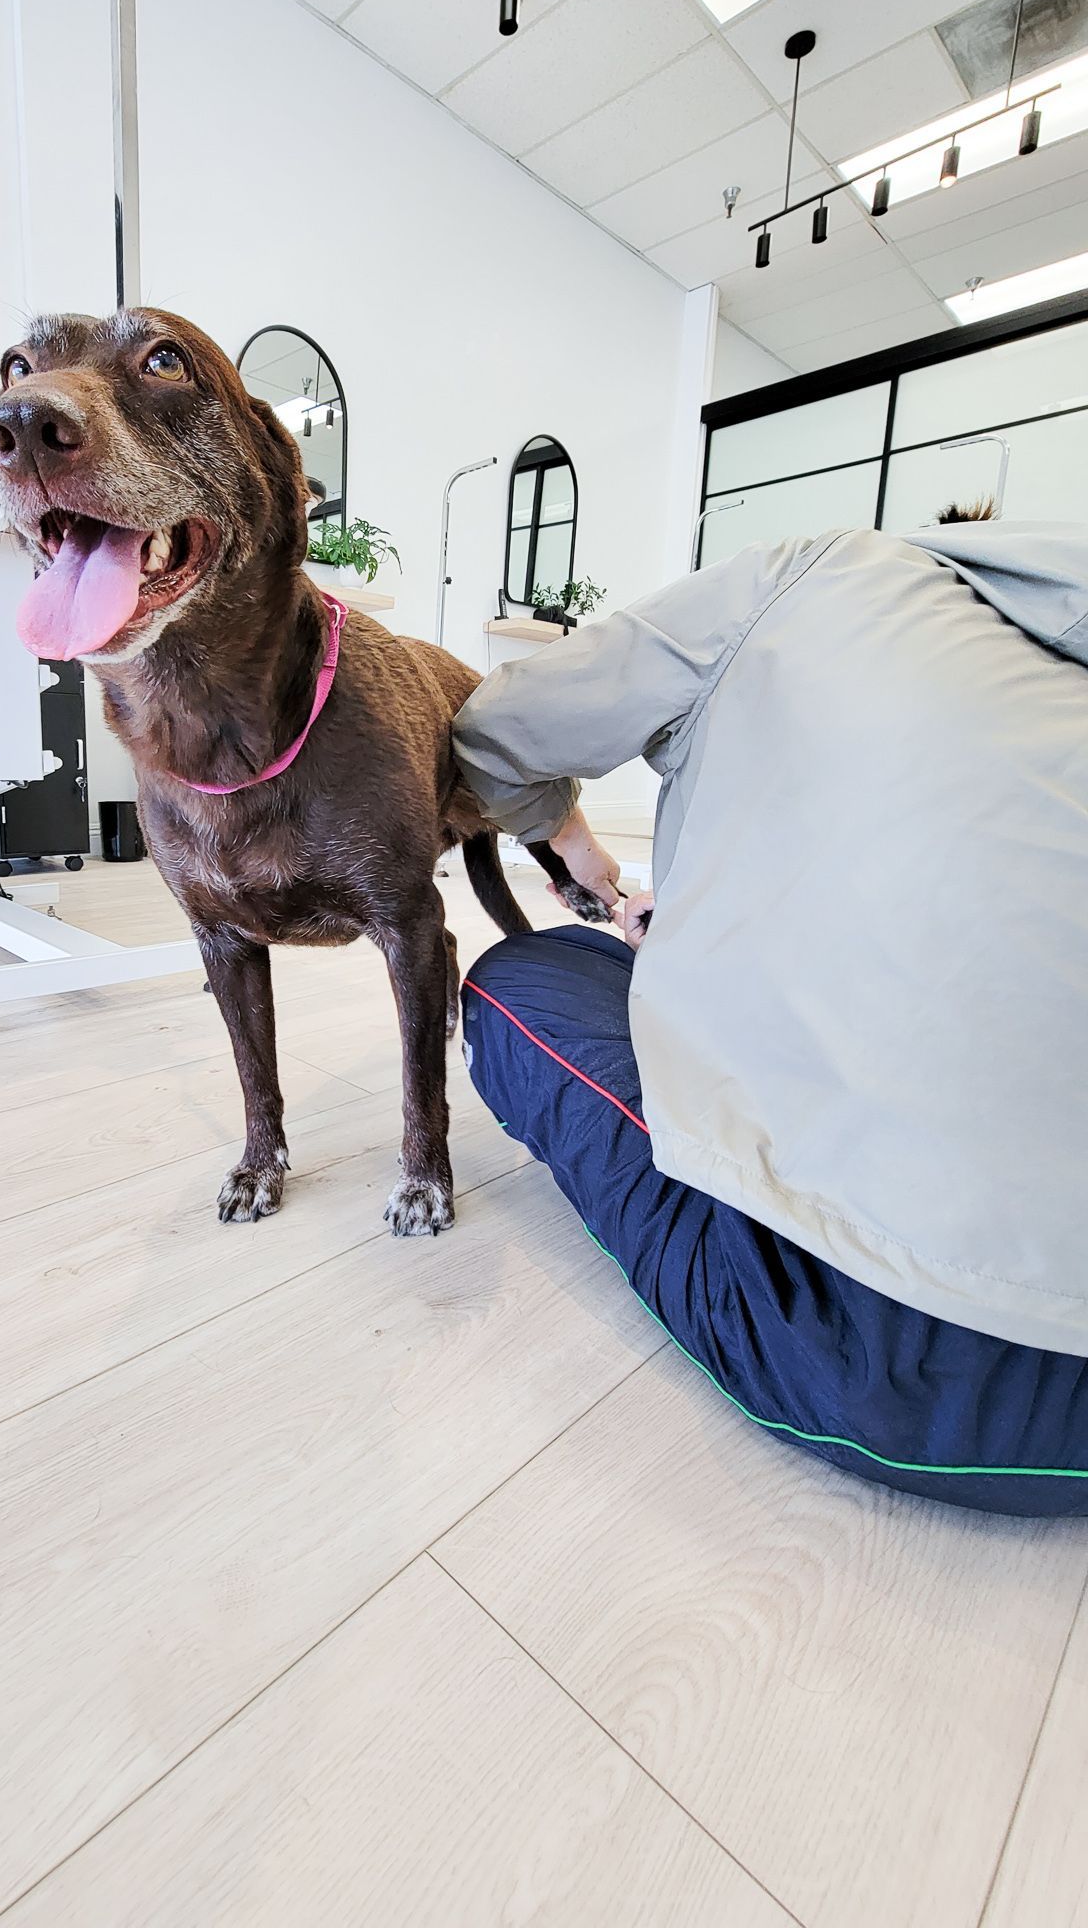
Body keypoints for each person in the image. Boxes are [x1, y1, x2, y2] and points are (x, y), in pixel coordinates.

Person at [452, 515, 1088, 1514]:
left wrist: (572, 847)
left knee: (518, 981)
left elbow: (491, 736)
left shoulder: (829, 569)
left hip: (888, 1364)